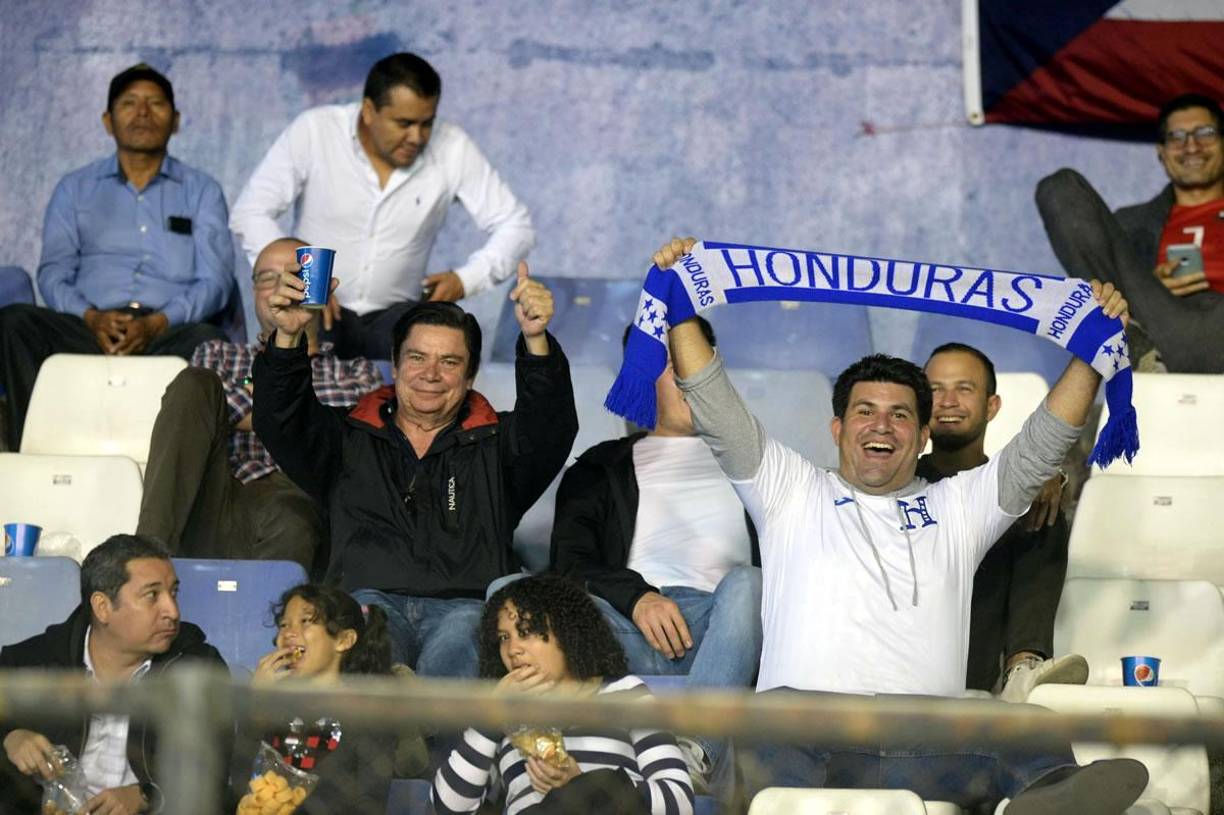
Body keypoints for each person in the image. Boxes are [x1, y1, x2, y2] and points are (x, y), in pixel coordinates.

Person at [653, 237, 1148, 812]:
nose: (881, 426)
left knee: (1034, 729)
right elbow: (716, 407)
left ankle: (1051, 802)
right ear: (838, 429)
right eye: (864, 411)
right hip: (802, 732)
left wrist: (1091, 347)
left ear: (923, 435)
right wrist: (681, 300)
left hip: (926, 740)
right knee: (762, 724)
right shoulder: (789, 489)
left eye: (900, 415)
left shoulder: (960, 506)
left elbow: (1042, 443)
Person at [252, 259, 577, 677]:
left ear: (470, 376)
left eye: (450, 362)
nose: (431, 374)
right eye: (417, 357)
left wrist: (535, 340)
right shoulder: (347, 435)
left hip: (466, 607)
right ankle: (396, 708)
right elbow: (279, 418)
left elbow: (551, 426)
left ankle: (425, 715)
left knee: (461, 640)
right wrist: (288, 337)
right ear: (395, 362)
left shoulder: (500, 443)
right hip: (368, 602)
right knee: (368, 639)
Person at [550, 317, 762, 783]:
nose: (688, 374)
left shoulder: (760, 465)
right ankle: (531, 749)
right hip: (620, 627)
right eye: (672, 362)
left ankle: (694, 754)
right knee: (511, 594)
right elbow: (569, 563)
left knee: (750, 584)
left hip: (719, 628)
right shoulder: (599, 467)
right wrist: (637, 597)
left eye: (696, 359)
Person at [229, 52, 534, 359]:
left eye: (427, 123)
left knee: (431, 350)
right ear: (368, 111)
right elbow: (250, 213)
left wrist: (466, 280)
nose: (417, 137)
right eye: (404, 123)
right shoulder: (315, 131)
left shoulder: (453, 147)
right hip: (317, 312)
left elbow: (516, 226)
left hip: (397, 319)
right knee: (294, 343)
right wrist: (305, 282)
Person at [0, 63, 235, 450]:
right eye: (129, 103)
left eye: (155, 103)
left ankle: (190, 472)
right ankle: (31, 455)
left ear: (176, 121)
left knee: (210, 342)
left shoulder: (202, 190)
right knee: (15, 324)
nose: (142, 112)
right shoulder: (74, 188)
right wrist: (92, 318)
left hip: (167, 330)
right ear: (108, 121)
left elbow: (216, 282)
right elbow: (54, 273)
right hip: (88, 326)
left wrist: (158, 323)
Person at [135, 237, 383, 573]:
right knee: (194, 384)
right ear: (254, 292)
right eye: (267, 278)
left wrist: (256, 406)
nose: (281, 286)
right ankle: (144, 561)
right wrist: (295, 410)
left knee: (296, 513)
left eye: (294, 275)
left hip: (304, 506)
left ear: (322, 290)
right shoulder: (218, 354)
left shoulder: (356, 373)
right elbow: (198, 412)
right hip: (221, 498)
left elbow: (341, 445)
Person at [0, 535, 228, 814]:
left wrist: (148, 796)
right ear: (103, 607)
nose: (172, 611)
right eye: (152, 595)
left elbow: (213, 773)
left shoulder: (199, 668)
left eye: (174, 593)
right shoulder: (28, 662)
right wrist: (10, 738)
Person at [432, 574, 695, 815]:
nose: (513, 650)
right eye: (503, 637)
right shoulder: (501, 716)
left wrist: (585, 787)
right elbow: (446, 809)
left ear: (566, 631)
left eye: (526, 631)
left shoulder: (625, 692)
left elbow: (679, 802)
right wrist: (490, 718)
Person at [918, 342, 1087, 702]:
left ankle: (1022, 668)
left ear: (991, 406)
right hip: (904, 655)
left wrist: (1047, 478)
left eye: (964, 389)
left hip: (973, 670)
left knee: (1035, 506)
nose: (947, 401)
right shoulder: (897, 482)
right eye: (935, 390)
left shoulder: (1015, 488)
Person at [1036, 93, 1224, 373]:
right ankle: (1123, 336)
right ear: (1161, 152)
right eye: (1176, 137)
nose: (1191, 146)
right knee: (1059, 187)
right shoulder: (1129, 222)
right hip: (1159, 328)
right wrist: (1149, 285)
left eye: (1204, 133)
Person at [231, 584, 395, 815]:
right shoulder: (270, 703)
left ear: (344, 640)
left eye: (305, 621)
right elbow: (239, 787)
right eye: (284, 624)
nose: (289, 633)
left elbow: (370, 804)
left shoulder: (369, 713)